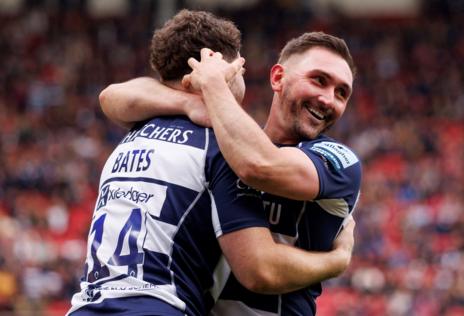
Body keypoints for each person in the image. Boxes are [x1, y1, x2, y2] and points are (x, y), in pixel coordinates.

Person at [68, 10, 355, 316]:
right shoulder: (221, 150)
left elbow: (111, 96)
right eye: (319, 80)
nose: (328, 98)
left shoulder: (134, 133)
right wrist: (336, 261)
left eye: (341, 92)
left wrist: (201, 97)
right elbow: (259, 268)